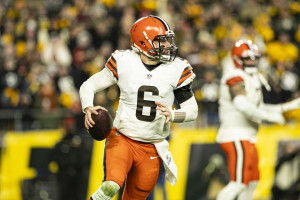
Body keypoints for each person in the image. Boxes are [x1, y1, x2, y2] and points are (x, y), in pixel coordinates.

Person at [79, 15, 198, 200]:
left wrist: (174, 115)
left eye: (168, 40)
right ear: (144, 42)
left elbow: (192, 111)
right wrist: (87, 107)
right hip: (123, 139)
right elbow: (89, 85)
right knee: (111, 185)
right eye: (162, 41)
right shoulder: (125, 61)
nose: (168, 46)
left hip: (153, 146)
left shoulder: (177, 68)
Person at [216, 40, 300, 200]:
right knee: (238, 183)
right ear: (237, 59)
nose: (252, 62)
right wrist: (269, 117)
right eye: (248, 58)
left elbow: (259, 108)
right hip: (235, 135)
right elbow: (242, 105)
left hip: (247, 137)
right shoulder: (234, 76)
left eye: (255, 58)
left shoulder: (252, 77)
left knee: (253, 181)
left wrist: (288, 107)